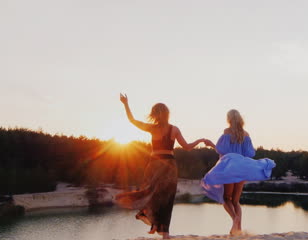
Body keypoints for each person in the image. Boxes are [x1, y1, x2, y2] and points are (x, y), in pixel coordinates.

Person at [115, 93, 206, 239]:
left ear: (154, 115)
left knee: (150, 193)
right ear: (167, 114)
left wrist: (125, 104)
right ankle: (163, 231)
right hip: (169, 166)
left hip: (154, 165)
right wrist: (200, 140)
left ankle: (156, 225)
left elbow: (132, 120)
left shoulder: (152, 128)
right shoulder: (174, 129)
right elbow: (187, 147)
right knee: (166, 199)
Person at [201, 109, 276, 235]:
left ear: (229, 119)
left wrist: (210, 144)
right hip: (242, 168)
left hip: (230, 168)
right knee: (235, 201)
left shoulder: (227, 132)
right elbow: (250, 153)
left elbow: (221, 150)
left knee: (226, 198)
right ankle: (238, 229)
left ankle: (235, 219)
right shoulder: (245, 134)